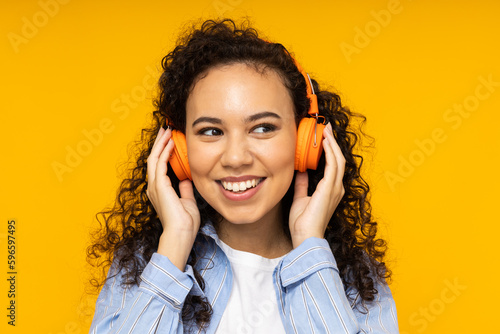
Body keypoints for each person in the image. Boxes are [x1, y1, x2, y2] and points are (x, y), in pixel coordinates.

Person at [87, 18, 399, 333]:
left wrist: (310, 249)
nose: (236, 158)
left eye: (263, 128)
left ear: (306, 141)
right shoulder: (141, 269)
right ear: (178, 150)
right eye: (211, 131)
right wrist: (173, 249)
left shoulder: (356, 279)